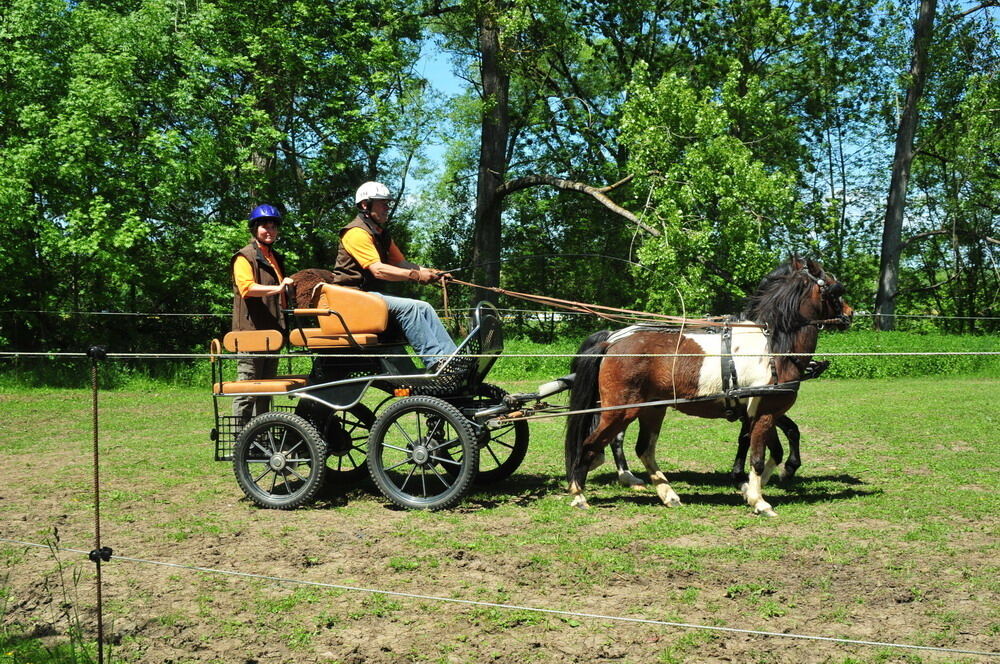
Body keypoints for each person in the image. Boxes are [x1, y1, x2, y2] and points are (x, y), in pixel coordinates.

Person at [332, 181, 459, 372]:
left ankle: (452, 360)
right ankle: (437, 363)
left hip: (368, 297)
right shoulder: (356, 233)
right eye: (382, 203)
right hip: (351, 298)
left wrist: (433, 272)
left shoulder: (381, 234)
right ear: (365, 205)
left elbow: (402, 264)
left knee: (424, 307)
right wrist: (416, 275)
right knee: (410, 309)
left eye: (387, 203)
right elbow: (378, 270)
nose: (387, 207)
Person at [231, 204, 295, 422]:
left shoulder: (274, 258)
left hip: (272, 334)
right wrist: (277, 288)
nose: (269, 231)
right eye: (264, 227)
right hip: (250, 335)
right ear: (254, 229)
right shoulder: (244, 257)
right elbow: (246, 288)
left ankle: (260, 438)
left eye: (273, 227)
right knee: (247, 390)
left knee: (265, 391)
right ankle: (239, 442)